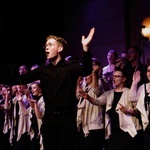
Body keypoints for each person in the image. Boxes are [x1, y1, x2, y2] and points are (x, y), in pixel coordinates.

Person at [0, 27, 95, 150]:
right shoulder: (42, 70)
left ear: (60, 48)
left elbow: (87, 70)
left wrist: (86, 49)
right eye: (45, 45)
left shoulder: (71, 67)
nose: (46, 47)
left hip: (67, 119)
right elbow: (19, 79)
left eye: (50, 45)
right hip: (49, 119)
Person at [79, 69, 145, 150]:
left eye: (117, 76)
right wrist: (88, 97)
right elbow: (98, 101)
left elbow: (138, 110)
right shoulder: (109, 93)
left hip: (128, 132)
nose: (114, 78)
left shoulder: (129, 92)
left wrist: (129, 111)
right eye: (113, 76)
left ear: (124, 79)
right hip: (114, 132)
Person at [76, 58, 105, 150]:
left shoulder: (99, 83)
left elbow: (97, 91)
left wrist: (95, 74)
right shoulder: (85, 86)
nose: (85, 77)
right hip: (85, 124)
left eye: (87, 75)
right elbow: (77, 97)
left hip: (95, 125)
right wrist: (77, 83)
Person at [129, 63, 150, 150]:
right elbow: (132, 98)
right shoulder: (143, 87)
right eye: (148, 71)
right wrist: (134, 83)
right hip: (147, 127)